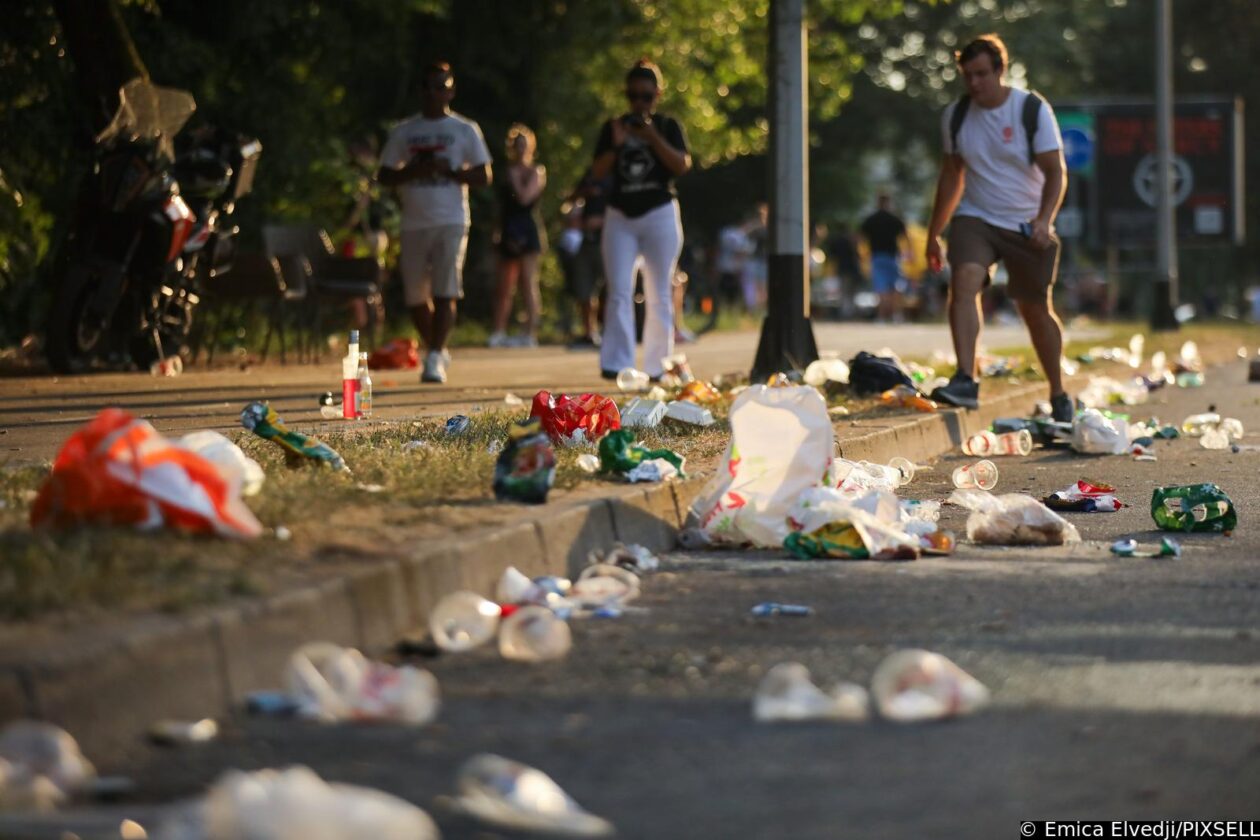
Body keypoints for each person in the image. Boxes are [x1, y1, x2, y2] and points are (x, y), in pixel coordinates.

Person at [924, 33, 1071, 419]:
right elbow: (952, 177)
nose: (974, 83)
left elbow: (1056, 172)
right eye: (967, 76)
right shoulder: (956, 116)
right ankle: (965, 380)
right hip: (977, 216)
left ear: (1000, 70)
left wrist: (1044, 220)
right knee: (964, 280)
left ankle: (1059, 393)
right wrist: (934, 233)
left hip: (1026, 223)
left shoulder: (1031, 110)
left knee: (1034, 309)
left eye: (981, 74)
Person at [378, 62, 492, 384]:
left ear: (451, 91)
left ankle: (434, 356)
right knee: (415, 297)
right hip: (414, 222)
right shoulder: (405, 131)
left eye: (441, 87)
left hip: (451, 220)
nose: (434, 93)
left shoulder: (464, 129)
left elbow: (484, 175)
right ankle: (435, 349)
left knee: (446, 290)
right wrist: (415, 171)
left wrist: (450, 172)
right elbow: (384, 174)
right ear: (420, 90)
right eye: (428, 86)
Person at [590, 59, 691, 380]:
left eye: (645, 96)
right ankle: (617, 364)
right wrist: (617, 145)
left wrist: (652, 138)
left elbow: (681, 165)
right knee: (619, 290)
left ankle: (658, 366)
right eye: (633, 95)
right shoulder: (614, 128)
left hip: (659, 213)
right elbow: (597, 172)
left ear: (657, 94)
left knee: (659, 291)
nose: (638, 102)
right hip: (620, 215)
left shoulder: (667, 126)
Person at [489, 123, 547, 348]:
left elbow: (524, 198)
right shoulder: (506, 171)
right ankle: (498, 331)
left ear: (530, 146)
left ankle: (529, 333)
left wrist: (515, 176)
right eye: (517, 145)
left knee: (528, 284)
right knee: (504, 285)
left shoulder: (536, 171)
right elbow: (501, 206)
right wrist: (496, 233)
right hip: (508, 229)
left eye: (524, 144)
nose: (521, 149)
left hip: (528, 229)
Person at [565, 168, 612, 348]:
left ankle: (610, 331)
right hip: (585, 241)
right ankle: (589, 333)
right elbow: (571, 199)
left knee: (612, 290)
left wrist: (603, 220)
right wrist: (585, 193)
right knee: (584, 289)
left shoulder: (617, 175)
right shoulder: (590, 174)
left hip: (609, 241)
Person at [861, 194, 910, 322]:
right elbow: (906, 235)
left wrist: (862, 254)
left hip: (877, 256)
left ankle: (882, 316)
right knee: (895, 287)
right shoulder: (894, 219)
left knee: (881, 288)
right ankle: (896, 314)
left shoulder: (871, 219)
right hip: (893, 256)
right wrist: (909, 252)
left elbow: (860, 237)